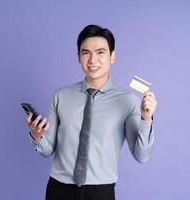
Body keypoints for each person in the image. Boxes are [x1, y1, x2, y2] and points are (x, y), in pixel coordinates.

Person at [26, 24, 157, 200]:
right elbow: (46, 150)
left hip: (100, 192)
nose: (92, 60)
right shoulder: (61, 97)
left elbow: (142, 156)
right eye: (86, 52)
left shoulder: (128, 101)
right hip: (58, 189)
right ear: (78, 57)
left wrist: (146, 118)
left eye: (100, 52)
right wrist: (36, 135)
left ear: (113, 56)